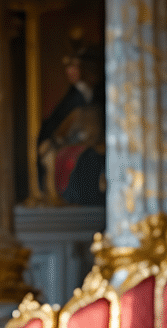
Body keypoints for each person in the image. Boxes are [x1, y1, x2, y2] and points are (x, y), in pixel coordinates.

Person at [37, 38, 105, 206]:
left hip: (94, 143)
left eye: (74, 66)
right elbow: (57, 124)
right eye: (68, 67)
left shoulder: (97, 94)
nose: (70, 71)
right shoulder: (71, 97)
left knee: (87, 158)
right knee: (69, 158)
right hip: (71, 143)